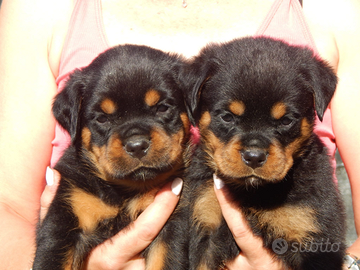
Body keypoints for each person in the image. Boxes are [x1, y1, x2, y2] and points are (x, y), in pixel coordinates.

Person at [0, 0, 359, 269]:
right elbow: (9, 205)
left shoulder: (335, 12)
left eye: (163, 109)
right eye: (227, 118)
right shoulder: (38, 10)